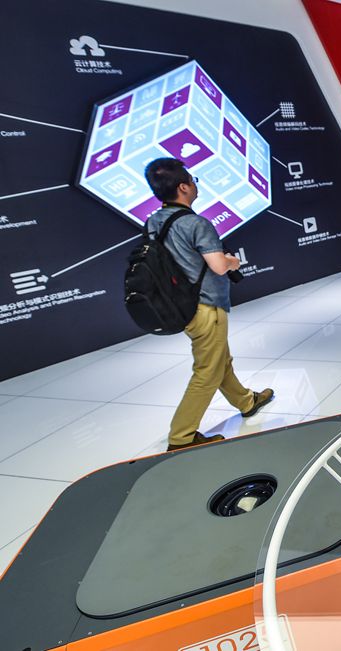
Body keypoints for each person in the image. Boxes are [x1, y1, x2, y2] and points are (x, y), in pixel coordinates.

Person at [143, 158, 274, 452]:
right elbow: (217, 266)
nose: (194, 185)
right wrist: (232, 261)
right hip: (206, 307)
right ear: (183, 187)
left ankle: (247, 402)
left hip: (181, 306)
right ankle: (181, 436)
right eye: (193, 180)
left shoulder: (154, 222)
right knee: (207, 371)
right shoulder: (196, 223)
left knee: (219, 361)